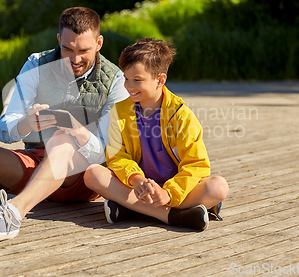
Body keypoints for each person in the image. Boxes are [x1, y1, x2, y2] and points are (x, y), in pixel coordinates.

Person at [0, 7, 129, 241]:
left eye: (84, 50)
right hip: (38, 172)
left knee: (62, 141)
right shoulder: (35, 64)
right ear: (59, 39)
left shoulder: (116, 81)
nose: (75, 59)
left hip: (83, 177)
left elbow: (112, 150)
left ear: (99, 42)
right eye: (68, 49)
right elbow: (5, 127)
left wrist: (78, 131)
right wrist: (25, 123)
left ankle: (12, 215)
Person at [84, 38, 229, 231]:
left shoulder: (181, 115)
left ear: (160, 80)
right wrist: (137, 180)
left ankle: (132, 209)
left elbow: (197, 164)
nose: (129, 86)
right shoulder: (118, 113)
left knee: (218, 187)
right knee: (93, 174)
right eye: (126, 78)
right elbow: (117, 156)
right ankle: (171, 215)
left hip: (177, 189)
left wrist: (168, 193)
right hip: (138, 187)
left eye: (137, 80)